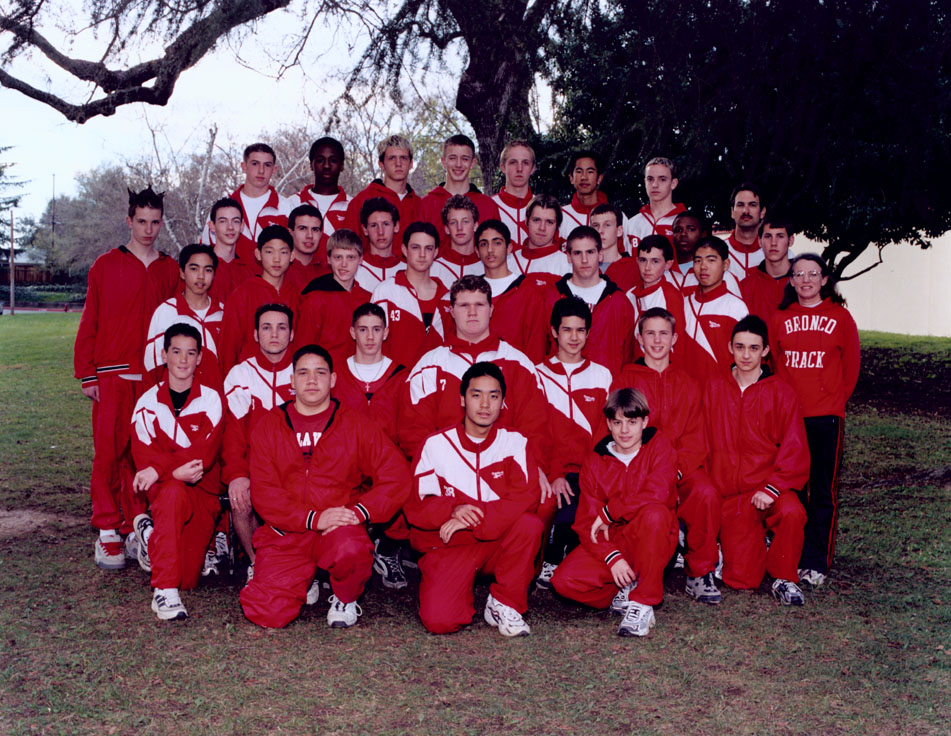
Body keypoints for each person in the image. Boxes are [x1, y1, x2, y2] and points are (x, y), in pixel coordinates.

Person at [239, 345, 411, 629]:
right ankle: (301, 580)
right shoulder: (269, 425)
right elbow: (265, 493)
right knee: (266, 613)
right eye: (303, 373)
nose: (311, 380)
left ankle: (345, 596)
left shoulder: (355, 424)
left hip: (337, 529)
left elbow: (397, 476)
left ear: (333, 379)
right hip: (289, 531)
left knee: (350, 549)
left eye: (320, 373)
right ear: (291, 381)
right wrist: (313, 519)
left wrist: (359, 512)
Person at [74, 185, 180, 570]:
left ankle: (135, 526)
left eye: (155, 222)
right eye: (141, 222)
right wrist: (87, 372)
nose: (148, 229)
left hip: (153, 375)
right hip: (113, 372)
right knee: (109, 452)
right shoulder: (105, 264)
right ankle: (107, 530)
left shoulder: (170, 268)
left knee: (142, 454)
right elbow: (91, 318)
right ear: (129, 220)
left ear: (161, 222)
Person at [406, 362, 544, 636]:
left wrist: (472, 518)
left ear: (503, 402)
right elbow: (416, 506)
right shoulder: (435, 445)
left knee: (529, 524)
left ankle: (504, 601)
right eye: (476, 394)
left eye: (493, 396)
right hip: (450, 546)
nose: (485, 404)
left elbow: (525, 497)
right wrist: (453, 508)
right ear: (462, 399)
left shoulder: (515, 443)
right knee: (440, 621)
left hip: (497, 543)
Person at [614, 308, 721, 605]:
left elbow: (696, 437)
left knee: (706, 493)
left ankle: (699, 570)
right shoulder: (625, 378)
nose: (657, 340)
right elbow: (615, 431)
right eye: (650, 333)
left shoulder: (688, 382)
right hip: (639, 471)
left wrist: (674, 471)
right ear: (639, 338)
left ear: (674, 338)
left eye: (664, 333)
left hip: (678, 469)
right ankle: (634, 570)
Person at [550, 388, 679, 637]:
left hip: (651, 535)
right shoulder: (596, 460)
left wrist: (611, 511)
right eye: (617, 422)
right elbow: (587, 522)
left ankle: (642, 602)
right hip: (614, 542)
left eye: (632, 422)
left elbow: (659, 493)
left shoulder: (659, 445)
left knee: (655, 513)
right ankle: (624, 593)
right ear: (608, 424)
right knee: (563, 581)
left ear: (645, 421)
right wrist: (612, 557)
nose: (624, 430)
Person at [397, 275, 552, 476]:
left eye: (479, 304)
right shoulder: (430, 364)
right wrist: (441, 467)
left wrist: (534, 467)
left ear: (491, 310)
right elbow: (414, 430)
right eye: (463, 306)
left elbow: (536, 426)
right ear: (451, 311)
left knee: (544, 502)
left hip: (505, 471)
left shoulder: (518, 362)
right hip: (447, 472)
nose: (472, 312)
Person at [703, 315, 810, 605]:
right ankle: (740, 545)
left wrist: (773, 487)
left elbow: (795, 448)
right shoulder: (714, 387)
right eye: (740, 347)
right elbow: (701, 440)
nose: (746, 355)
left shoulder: (781, 391)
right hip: (732, 494)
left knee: (792, 512)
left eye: (753, 348)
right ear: (730, 348)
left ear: (765, 351)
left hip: (768, 488)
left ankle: (784, 576)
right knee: (741, 581)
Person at [770, 254, 860, 588]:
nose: (805, 279)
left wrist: (832, 401)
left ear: (824, 279)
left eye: (813, 273)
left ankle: (815, 561)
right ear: (790, 281)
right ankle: (788, 553)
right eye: (798, 274)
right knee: (791, 489)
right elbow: (776, 365)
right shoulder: (780, 317)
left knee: (822, 491)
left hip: (825, 418)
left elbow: (850, 369)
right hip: (789, 419)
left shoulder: (840, 317)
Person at [129, 323, 224, 621]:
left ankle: (149, 534)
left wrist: (161, 467)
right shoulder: (145, 404)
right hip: (166, 499)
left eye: (191, 353)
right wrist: (171, 474)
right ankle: (165, 591)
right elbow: (142, 460)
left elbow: (202, 459)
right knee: (171, 492)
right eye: (176, 351)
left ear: (199, 359)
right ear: (164, 354)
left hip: (202, 497)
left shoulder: (212, 400)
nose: (183, 360)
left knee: (189, 579)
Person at [534, 298, 612, 589]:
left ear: (588, 333)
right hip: (550, 471)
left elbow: (605, 434)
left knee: (582, 509)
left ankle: (570, 555)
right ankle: (548, 557)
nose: (574, 337)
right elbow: (533, 433)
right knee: (553, 506)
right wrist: (552, 475)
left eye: (581, 330)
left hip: (589, 471)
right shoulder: (536, 374)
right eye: (567, 330)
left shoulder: (602, 375)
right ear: (554, 332)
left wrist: (591, 476)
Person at [222, 304, 297, 578]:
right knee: (241, 496)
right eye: (266, 328)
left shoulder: (305, 371)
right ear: (255, 334)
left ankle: (300, 565)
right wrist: (237, 474)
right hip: (256, 467)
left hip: (299, 467)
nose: (274, 334)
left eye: (281, 327)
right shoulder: (241, 375)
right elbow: (232, 435)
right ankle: (257, 564)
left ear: (292, 334)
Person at [533, 226, 635, 374]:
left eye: (590, 252)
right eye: (577, 253)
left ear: (600, 255)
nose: (584, 260)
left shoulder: (620, 302)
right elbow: (539, 348)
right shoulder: (551, 297)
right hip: (560, 388)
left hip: (607, 389)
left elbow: (627, 356)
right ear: (568, 256)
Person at [143, 244, 224, 391]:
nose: (201, 276)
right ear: (182, 272)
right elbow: (151, 367)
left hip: (216, 403)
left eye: (207, 270)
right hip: (176, 403)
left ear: (214, 274)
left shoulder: (224, 314)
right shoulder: (166, 313)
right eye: (194, 269)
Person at [219, 224, 298, 373]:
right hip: (249, 378)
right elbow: (228, 348)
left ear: (292, 256)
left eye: (283, 252)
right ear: (258, 254)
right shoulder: (242, 294)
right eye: (269, 252)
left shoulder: (295, 295)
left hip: (286, 378)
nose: (276, 259)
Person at [371, 222, 449, 369]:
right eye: (415, 247)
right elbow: (372, 343)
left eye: (428, 248)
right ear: (404, 250)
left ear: (436, 252)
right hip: (394, 383)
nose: (422, 254)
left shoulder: (447, 297)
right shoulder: (386, 292)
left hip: (434, 384)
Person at [201, 143, 291, 266]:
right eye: (255, 163)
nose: (261, 170)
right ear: (244, 166)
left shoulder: (286, 208)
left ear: (274, 169)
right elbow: (205, 251)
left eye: (267, 165)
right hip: (230, 283)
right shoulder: (223, 207)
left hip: (271, 283)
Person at [297, 229, 372, 369]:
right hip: (326, 375)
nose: (344, 264)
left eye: (351, 257)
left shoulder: (367, 298)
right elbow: (304, 347)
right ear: (328, 259)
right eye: (338, 257)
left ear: (361, 259)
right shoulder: (315, 298)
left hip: (359, 376)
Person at [474, 219, 549, 358]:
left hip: (516, 374)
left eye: (497, 243)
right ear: (477, 251)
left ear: (509, 248)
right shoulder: (470, 291)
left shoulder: (527, 290)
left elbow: (536, 345)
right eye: (484, 244)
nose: (490, 250)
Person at [333, 303, 406, 442]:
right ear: (353, 332)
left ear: (385, 333)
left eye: (376, 329)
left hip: (388, 459)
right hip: (347, 459)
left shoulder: (401, 376)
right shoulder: (337, 375)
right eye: (363, 330)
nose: (370, 337)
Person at [681, 236, 749, 382]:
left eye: (711, 260)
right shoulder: (683, 303)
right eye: (698, 261)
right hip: (685, 394)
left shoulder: (736, 307)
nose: (703, 266)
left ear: (726, 264)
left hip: (720, 395)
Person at [420, 134, 500, 245]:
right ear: (444, 161)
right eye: (452, 158)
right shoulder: (426, 205)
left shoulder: (488, 205)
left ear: (473, 163)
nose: (458, 164)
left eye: (465, 159)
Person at [343, 134, 421, 239]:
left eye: (403, 158)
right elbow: (348, 247)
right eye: (391, 158)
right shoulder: (361, 201)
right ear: (381, 164)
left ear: (411, 164)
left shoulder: (419, 205)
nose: (398, 163)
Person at [626, 235, 686, 361]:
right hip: (633, 369)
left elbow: (678, 343)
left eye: (655, 261)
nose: (647, 267)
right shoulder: (629, 295)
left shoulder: (671, 296)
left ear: (668, 264)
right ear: (637, 260)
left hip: (660, 371)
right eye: (643, 260)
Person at [288, 137, 349, 236]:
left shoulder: (353, 206)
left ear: (342, 165)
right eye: (320, 160)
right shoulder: (293, 203)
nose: (326, 166)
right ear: (311, 165)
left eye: (333, 160)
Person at [623, 157, 685, 251]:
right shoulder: (632, 224)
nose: (655, 185)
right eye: (650, 179)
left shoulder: (685, 222)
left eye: (662, 179)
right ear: (645, 182)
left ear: (673, 183)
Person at [740, 216, 795, 323]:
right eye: (768, 236)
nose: (773, 243)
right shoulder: (745, 287)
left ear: (790, 240)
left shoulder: (804, 283)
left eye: (780, 236)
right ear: (760, 242)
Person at [509, 194, 570, 279]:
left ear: (558, 226)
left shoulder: (567, 265)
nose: (542, 228)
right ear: (526, 221)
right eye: (536, 220)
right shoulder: (509, 261)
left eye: (549, 222)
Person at [429, 195, 486, 286]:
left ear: (475, 226)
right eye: (453, 222)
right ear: (447, 229)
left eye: (465, 221)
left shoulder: (486, 266)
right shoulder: (433, 268)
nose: (459, 228)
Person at [206, 197, 253, 303]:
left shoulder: (248, 273)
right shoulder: (201, 268)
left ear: (242, 226)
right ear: (212, 226)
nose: (230, 227)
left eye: (235, 221)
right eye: (223, 221)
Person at [491, 140, 536, 249]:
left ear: (532, 169)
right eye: (513, 162)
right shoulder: (490, 205)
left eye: (525, 163)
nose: (519, 169)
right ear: (503, 167)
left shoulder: (543, 206)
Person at [354, 197, 406, 292]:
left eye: (386, 224)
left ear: (396, 226)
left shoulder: (407, 270)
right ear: (365, 229)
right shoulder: (354, 269)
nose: (380, 232)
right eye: (374, 225)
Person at [559, 151, 613, 240]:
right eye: (579, 171)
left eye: (590, 172)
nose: (584, 177)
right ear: (571, 178)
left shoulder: (616, 216)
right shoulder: (560, 216)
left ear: (599, 178)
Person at [724, 183, 767, 279]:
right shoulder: (717, 252)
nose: (746, 211)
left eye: (752, 205)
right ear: (732, 212)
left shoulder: (777, 253)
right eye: (740, 205)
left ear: (762, 212)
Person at [283, 204, 328, 292]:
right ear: (290, 232)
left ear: (321, 234)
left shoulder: (328, 272)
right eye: (303, 228)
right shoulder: (278, 269)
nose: (310, 236)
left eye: (315, 230)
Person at [667, 210, 708, 289]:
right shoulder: (662, 270)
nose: (683, 234)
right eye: (678, 230)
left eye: (691, 229)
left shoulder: (715, 272)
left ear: (703, 234)